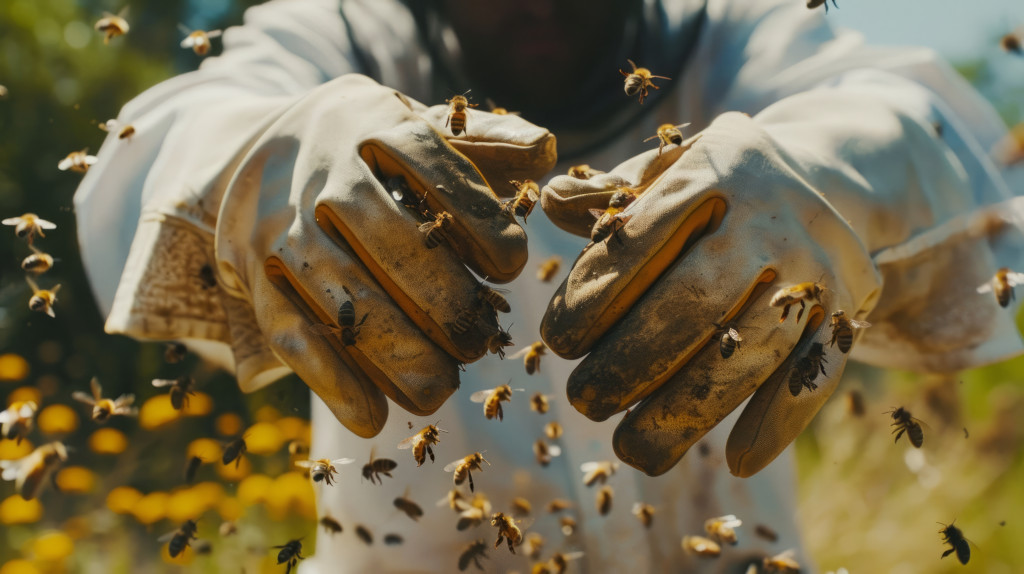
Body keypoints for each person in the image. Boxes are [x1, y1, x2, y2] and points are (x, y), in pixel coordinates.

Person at [73, 0, 1024, 571]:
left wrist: (836, 168)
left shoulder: (737, 40)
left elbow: (926, 126)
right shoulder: (342, 32)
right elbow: (165, 141)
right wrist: (266, 160)